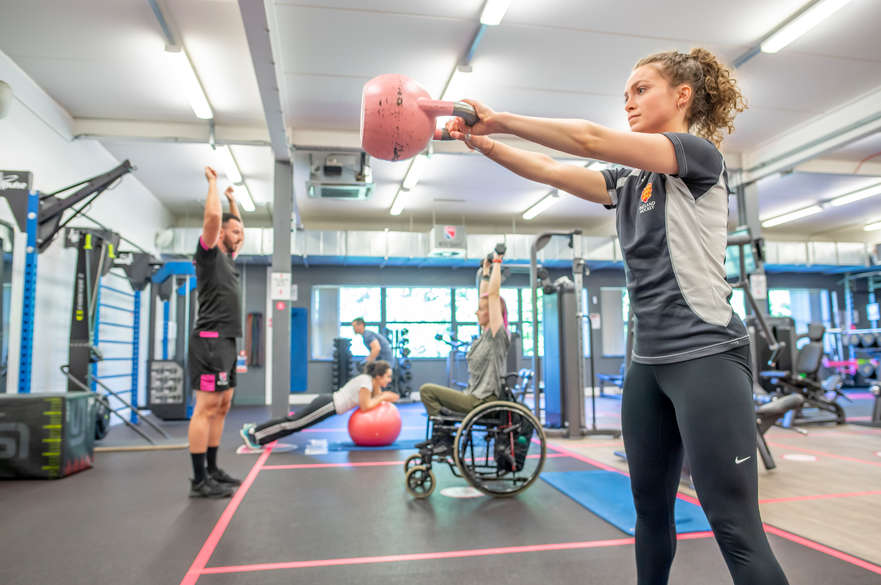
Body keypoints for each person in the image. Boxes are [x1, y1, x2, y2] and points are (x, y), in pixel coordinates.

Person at [444, 49, 787, 585]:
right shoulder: (632, 183)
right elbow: (556, 171)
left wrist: (501, 118)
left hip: (707, 359)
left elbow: (587, 140)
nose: (627, 101)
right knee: (650, 514)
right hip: (648, 366)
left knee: (735, 527)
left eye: (640, 89)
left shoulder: (697, 156)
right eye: (625, 93)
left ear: (682, 96)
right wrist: (483, 143)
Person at [187, 166, 245, 498]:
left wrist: (234, 204)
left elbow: (235, 229)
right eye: (233, 230)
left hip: (227, 342)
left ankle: (212, 468)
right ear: (220, 233)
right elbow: (212, 219)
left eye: (239, 231)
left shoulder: (230, 259)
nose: (238, 235)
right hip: (209, 342)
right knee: (206, 407)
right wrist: (214, 185)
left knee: (223, 404)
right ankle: (198, 480)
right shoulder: (209, 254)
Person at [416, 250, 509, 453]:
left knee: (427, 391)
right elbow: (485, 296)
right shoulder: (484, 335)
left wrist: (498, 263)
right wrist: (485, 271)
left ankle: (445, 439)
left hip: (482, 401)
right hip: (473, 396)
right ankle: (444, 436)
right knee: (431, 392)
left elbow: (492, 296)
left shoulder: (497, 336)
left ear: (493, 314)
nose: (476, 311)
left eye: (481, 309)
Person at [239, 360, 398, 448]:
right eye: (388, 377)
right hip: (329, 404)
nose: (389, 380)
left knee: (296, 424)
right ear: (378, 376)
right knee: (294, 423)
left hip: (329, 404)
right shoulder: (366, 383)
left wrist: (381, 393)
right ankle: (254, 433)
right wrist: (383, 397)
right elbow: (366, 406)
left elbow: (374, 397)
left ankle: (258, 435)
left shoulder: (370, 381)